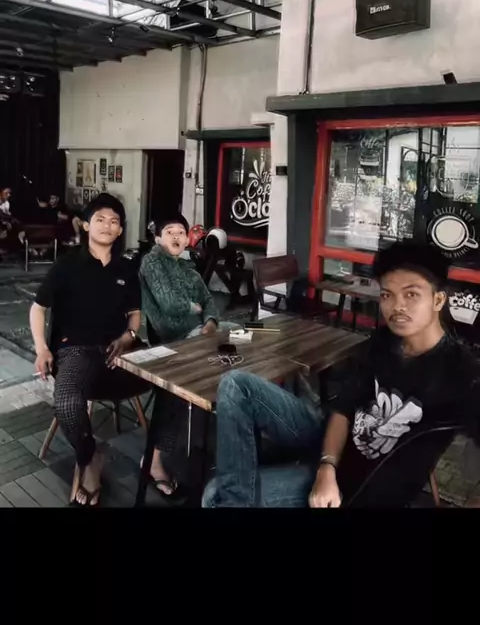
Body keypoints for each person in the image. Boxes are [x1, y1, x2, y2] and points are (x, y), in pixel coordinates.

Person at [202, 240, 480, 508]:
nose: (397, 306)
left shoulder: (461, 371)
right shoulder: (384, 342)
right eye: (387, 294)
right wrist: (327, 465)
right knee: (236, 384)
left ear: (438, 300)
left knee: (215, 495)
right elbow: (344, 407)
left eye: (411, 294)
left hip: (354, 485)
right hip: (328, 448)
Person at [29, 194, 146, 508]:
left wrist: (128, 337)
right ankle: (89, 457)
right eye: (100, 219)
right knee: (68, 403)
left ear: (120, 230)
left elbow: (135, 315)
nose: (107, 225)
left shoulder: (126, 268)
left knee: (172, 381)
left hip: (118, 353)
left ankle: (159, 461)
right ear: (85, 225)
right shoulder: (67, 265)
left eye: (114, 221)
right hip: (76, 352)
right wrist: (42, 349)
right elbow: (38, 309)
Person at [139, 213, 240, 497]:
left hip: (199, 333)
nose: (176, 236)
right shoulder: (152, 261)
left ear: (188, 239)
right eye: (169, 231)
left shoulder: (189, 268)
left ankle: (231, 436)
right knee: (226, 359)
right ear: (157, 238)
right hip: (172, 343)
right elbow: (169, 304)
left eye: (181, 232)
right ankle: (155, 461)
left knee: (247, 338)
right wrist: (195, 309)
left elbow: (208, 301)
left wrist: (210, 322)